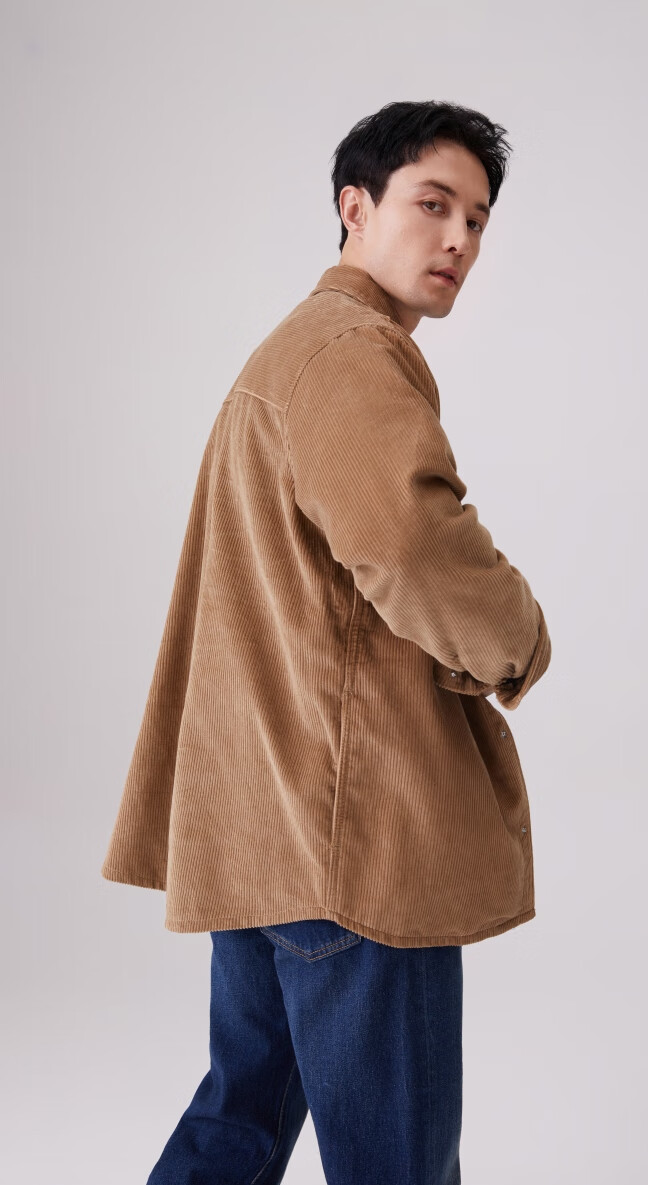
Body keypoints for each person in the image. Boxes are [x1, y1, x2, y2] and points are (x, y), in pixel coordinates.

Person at [101, 99, 552, 1184]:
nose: (458, 239)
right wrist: (519, 640)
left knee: (240, 1119)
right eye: (432, 204)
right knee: (395, 1161)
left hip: (268, 830)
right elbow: (410, 543)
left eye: (477, 220)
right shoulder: (349, 354)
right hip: (354, 841)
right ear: (355, 207)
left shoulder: (291, 352)